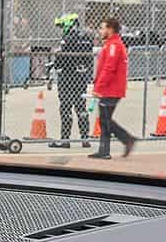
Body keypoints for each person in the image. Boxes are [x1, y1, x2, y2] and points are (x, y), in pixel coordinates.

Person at [89, 16, 136, 159]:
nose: (100, 31)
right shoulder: (111, 44)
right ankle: (107, 149)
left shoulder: (114, 46)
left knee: (105, 119)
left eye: (102, 28)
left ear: (110, 29)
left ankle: (125, 140)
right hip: (108, 88)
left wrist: (99, 87)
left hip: (111, 89)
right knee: (105, 119)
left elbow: (109, 68)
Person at [48, 12, 93, 149]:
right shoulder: (86, 38)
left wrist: (55, 63)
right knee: (81, 107)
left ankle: (65, 140)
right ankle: (85, 138)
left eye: (63, 26)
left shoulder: (67, 38)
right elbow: (88, 59)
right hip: (81, 76)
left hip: (67, 76)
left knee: (66, 107)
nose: (62, 29)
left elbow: (61, 59)